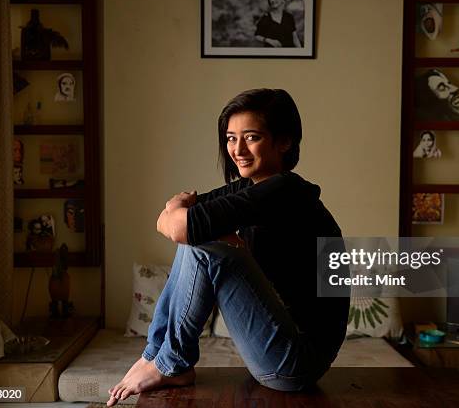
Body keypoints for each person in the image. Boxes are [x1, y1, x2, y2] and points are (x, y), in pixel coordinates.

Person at [106, 89, 348, 406]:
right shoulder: (251, 187)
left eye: (252, 137)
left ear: (284, 141)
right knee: (200, 239)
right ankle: (156, 355)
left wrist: (180, 209)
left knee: (200, 244)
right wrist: (182, 216)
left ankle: (170, 363)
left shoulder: (286, 191)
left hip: (295, 361)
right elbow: (167, 220)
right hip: (277, 353)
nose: (238, 149)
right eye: (231, 138)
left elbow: (179, 224)